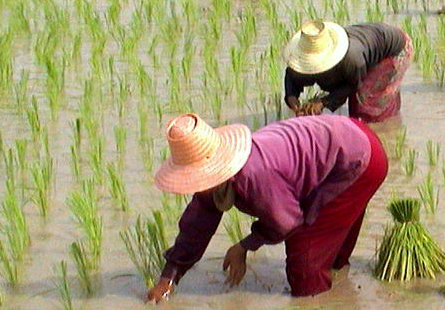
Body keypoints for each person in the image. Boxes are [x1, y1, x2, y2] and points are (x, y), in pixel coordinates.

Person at [146, 113, 388, 301]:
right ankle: (339, 280)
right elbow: (196, 225)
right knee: (328, 245)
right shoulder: (214, 182)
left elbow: (287, 223)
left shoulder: (254, 175)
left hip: (359, 160)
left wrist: (245, 246)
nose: (194, 186)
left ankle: (318, 299)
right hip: (352, 135)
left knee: (305, 255)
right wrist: (169, 277)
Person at [284, 21, 412, 123]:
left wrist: (323, 102)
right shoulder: (304, 61)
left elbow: (352, 85)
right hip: (368, 47)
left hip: (394, 50)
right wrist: (292, 99)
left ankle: (386, 132)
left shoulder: (351, 59)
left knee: (367, 106)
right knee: (359, 107)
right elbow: (292, 76)